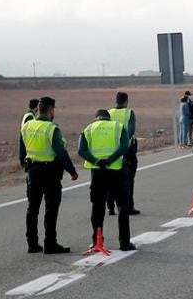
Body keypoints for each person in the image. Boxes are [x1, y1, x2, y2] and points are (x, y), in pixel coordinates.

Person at [18, 96, 78, 253]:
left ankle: (32, 243)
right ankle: (50, 243)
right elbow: (61, 152)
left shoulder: (27, 126)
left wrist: (25, 164)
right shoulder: (52, 129)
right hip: (50, 173)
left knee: (32, 209)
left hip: (32, 171)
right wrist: (72, 171)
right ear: (51, 110)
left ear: (38, 109)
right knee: (51, 210)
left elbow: (22, 148)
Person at [78, 109, 134, 251]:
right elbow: (124, 146)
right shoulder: (118, 127)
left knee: (97, 207)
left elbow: (81, 150)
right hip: (117, 172)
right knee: (122, 207)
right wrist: (110, 160)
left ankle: (97, 241)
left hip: (98, 173)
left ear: (97, 118)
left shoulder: (88, 129)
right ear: (108, 118)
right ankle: (125, 243)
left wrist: (97, 161)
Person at [106, 91, 141, 216]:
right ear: (126, 101)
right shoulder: (129, 113)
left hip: (111, 150)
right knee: (128, 180)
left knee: (110, 178)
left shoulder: (108, 113)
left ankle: (110, 207)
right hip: (127, 150)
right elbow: (131, 131)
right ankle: (128, 206)